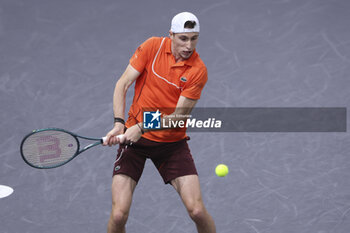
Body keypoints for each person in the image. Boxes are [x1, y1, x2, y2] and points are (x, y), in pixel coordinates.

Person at [103, 12, 216, 233]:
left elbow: (178, 117)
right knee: (118, 215)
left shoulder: (197, 71)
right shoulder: (152, 47)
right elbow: (123, 84)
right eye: (183, 38)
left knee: (197, 211)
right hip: (134, 143)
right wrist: (118, 123)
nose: (189, 45)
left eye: (194, 38)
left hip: (171, 145)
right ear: (171, 35)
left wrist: (143, 126)